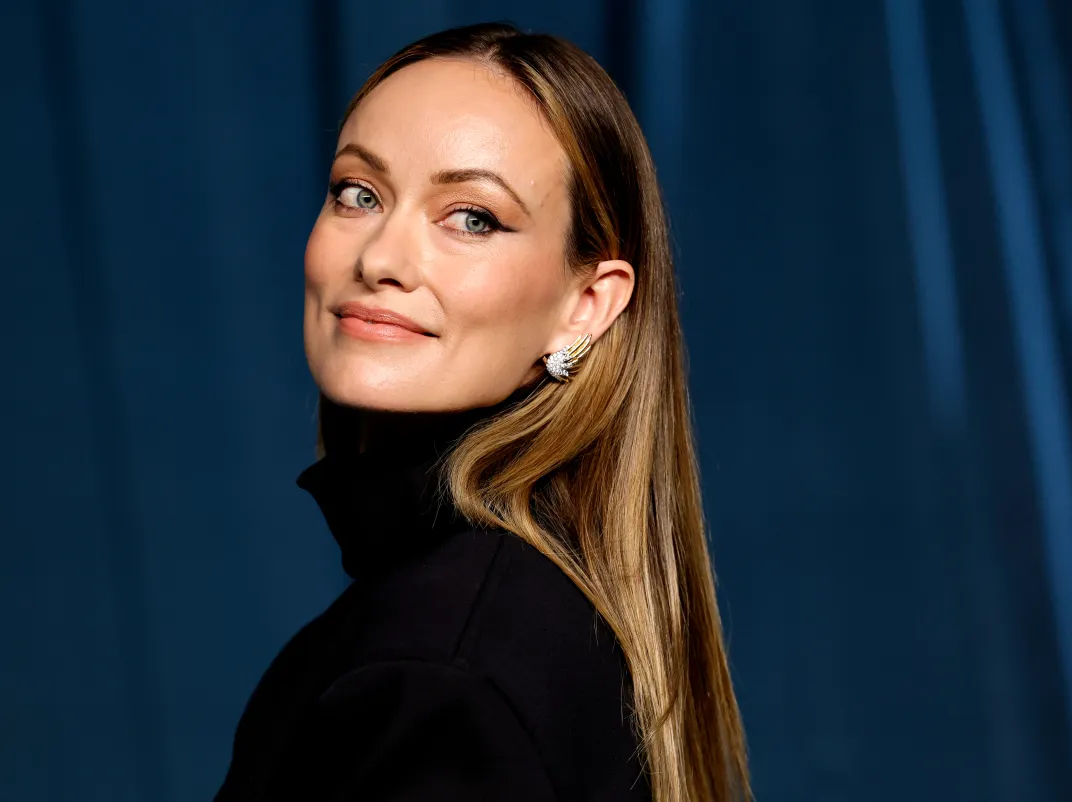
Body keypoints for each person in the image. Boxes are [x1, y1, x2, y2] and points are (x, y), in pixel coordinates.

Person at [214, 21, 750, 802]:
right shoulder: (507, 614)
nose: (381, 259)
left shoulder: (443, 674)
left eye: (472, 217)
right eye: (358, 194)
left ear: (585, 305)